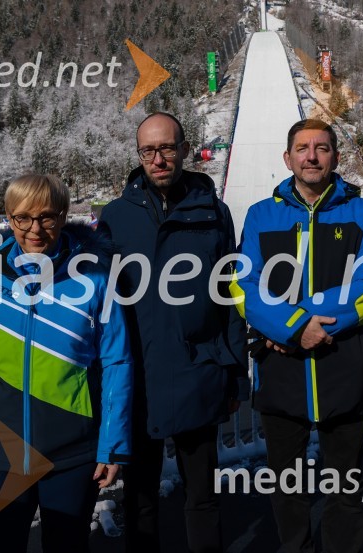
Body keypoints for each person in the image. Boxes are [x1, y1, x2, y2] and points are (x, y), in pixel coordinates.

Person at [0, 174, 133, 553]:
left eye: (47, 217)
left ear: (63, 216)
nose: (35, 229)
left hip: (72, 455)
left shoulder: (95, 277)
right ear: (8, 218)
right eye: (22, 218)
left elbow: (117, 362)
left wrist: (113, 444)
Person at [231, 118, 363, 553]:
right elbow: (244, 285)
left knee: (346, 486)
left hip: (343, 365)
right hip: (281, 367)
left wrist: (302, 322)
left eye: (321, 147)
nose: (312, 156)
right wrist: (295, 328)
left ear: (335, 157)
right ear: (288, 158)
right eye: (303, 148)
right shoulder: (262, 215)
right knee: (288, 488)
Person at [98, 112, 248, 553]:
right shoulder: (116, 216)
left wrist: (236, 371)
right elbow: (101, 302)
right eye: (149, 150)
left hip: (198, 370)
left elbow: (229, 297)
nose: (159, 158)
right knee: (140, 497)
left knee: (202, 495)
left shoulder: (214, 211)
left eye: (167, 147)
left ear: (184, 148)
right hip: (138, 377)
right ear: (139, 155)